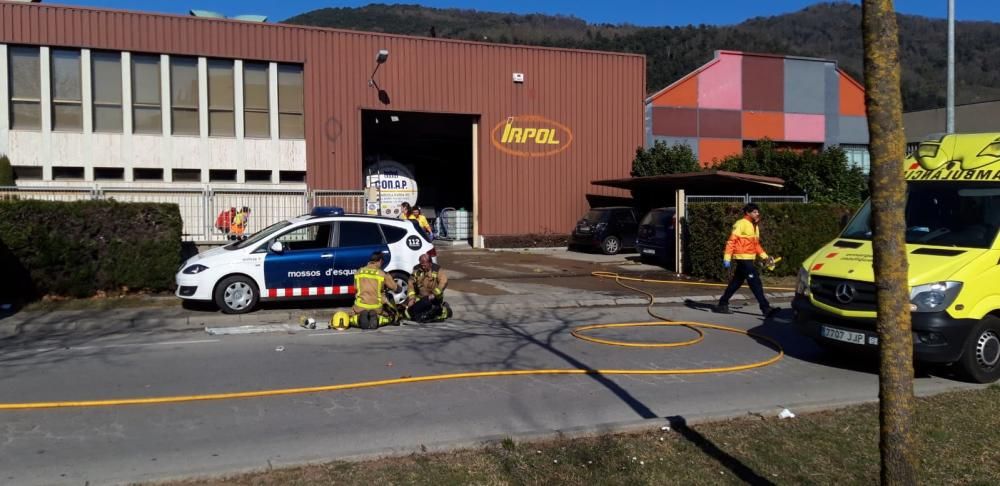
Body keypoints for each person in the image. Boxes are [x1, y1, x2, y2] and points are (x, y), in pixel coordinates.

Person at [713, 203, 779, 318]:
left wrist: (766, 257)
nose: (757, 213)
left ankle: (722, 304)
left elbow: (756, 245)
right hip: (742, 259)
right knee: (756, 282)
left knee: (736, 283)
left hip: (748, 259)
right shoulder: (740, 224)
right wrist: (727, 258)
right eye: (754, 212)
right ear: (747, 213)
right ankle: (765, 308)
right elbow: (731, 241)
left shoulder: (754, 226)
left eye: (757, 211)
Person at [351, 251, 400, 329]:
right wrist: (398, 288)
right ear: (380, 261)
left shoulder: (358, 272)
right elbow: (395, 288)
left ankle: (360, 318)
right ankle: (377, 318)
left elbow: (355, 288)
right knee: (389, 312)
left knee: (353, 315)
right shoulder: (382, 274)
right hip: (376, 306)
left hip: (360, 306)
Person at [405, 252, 451, 322]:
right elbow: (410, 284)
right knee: (410, 312)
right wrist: (411, 298)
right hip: (420, 298)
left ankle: (445, 310)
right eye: (421, 265)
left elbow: (444, 282)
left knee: (433, 313)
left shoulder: (437, 269)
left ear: (430, 263)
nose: (423, 267)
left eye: (425, 265)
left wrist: (434, 294)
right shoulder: (416, 269)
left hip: (434, 297)